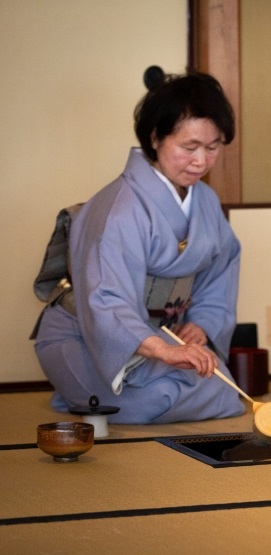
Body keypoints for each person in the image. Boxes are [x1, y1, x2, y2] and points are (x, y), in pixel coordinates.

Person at [33, 70, 245, 424]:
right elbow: (106, 298)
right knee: (157, 399)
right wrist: (160, 349)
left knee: (226, 391)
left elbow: (221, 269)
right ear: (155, 137)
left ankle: (82, 394)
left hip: (163, 338)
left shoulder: (206, 201)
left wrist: (203, 323)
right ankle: (75, 382)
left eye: (212, 148)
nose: (201, 161)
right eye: (189, 147)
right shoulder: (118, 208)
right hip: (88, 337)